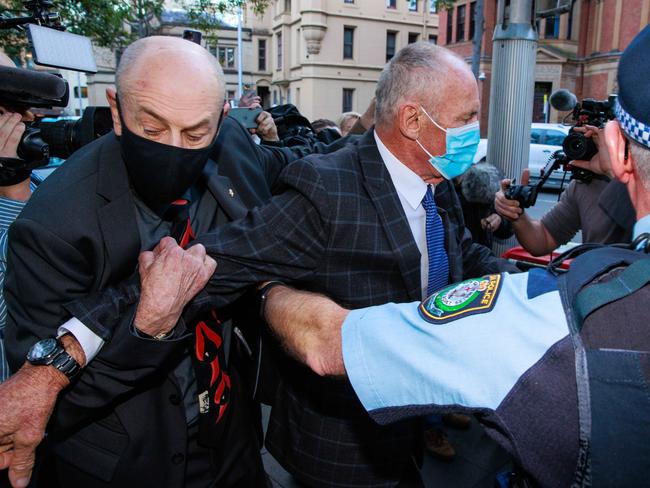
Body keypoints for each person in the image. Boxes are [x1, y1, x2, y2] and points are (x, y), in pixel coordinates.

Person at [63, 41, 518, 487]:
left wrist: (530, 289)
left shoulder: (437, 180)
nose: (475, 130)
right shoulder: (326, 189)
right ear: (414, 120)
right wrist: (58, 360)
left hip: (406, 429)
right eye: (467, 118)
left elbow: (459, 251)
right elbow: (200, 269)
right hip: (342, 449)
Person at [260, 26, 650, 488]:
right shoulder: (333, 182)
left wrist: (266, 291)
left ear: (617, 148)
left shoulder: (555, 323)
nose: (472, 132)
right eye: (465, 118)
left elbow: (328, 344)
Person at [3, 36, 305, 487]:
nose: (174, 147)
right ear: (117, 110)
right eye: (152, 127)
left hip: (232, 440)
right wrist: (144, 329)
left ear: (220, 120)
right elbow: (46, 400)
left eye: (195, 133)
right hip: (131, 462)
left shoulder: (233, 147)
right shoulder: (52, 225)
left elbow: (292, 164)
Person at [495, 125, 635, 255]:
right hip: (595, 278)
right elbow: (543, 239)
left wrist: (614, 173)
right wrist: (516, 214)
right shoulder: (585, 184)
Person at [0, 53, 42, 384]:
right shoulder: (15, 180)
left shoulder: (33, 178)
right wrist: (14, 193)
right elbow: (12, 311)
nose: (26, 120)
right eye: (5, 111)